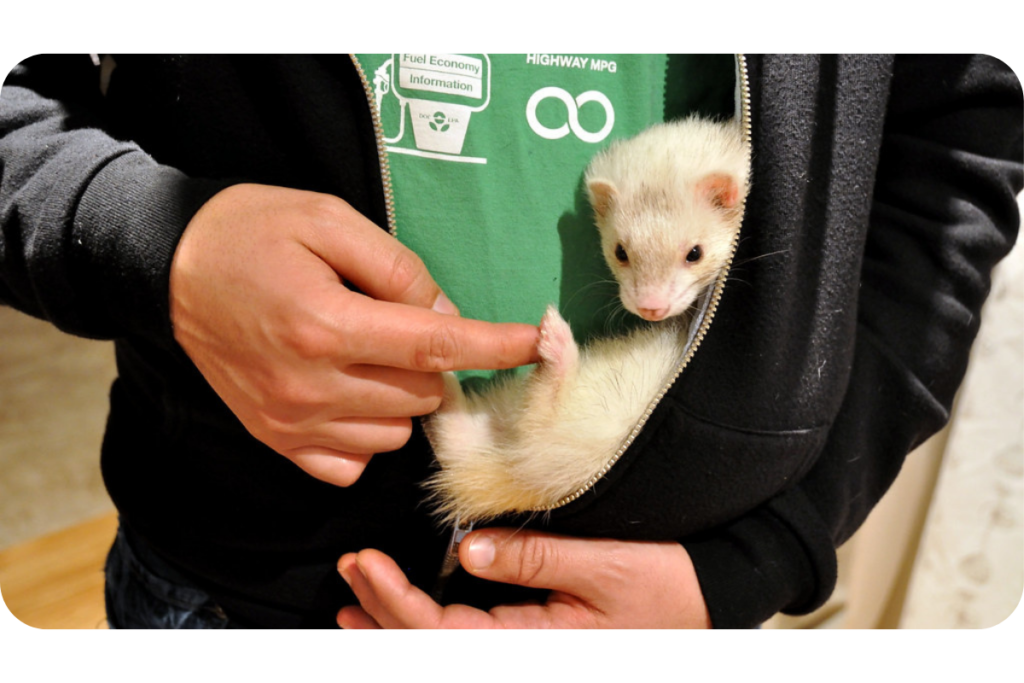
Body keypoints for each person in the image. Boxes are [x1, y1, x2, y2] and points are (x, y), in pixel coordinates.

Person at [2, 53, 1021, 630]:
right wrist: (151, 238)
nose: (653, 300)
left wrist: (769, 547)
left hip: (680, 597)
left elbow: (956, 149)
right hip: (243, 576)